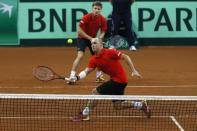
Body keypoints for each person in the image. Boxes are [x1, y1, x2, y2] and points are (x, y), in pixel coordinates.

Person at [68, 38, 151, 121]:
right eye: (92, 43)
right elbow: (87, 71)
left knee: (96, 92)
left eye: (95, 43)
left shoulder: (110, 52)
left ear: (101, 45)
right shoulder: (93, 59)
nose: (92, 45)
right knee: (118, 105)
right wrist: (76, 78)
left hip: (119, 80)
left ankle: (85, 114)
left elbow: (126, 57)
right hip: (118, 81)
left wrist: (134, 70)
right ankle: (141, 105)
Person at [68, 1, 107, 83]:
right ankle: (72, 75)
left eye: (98, 9)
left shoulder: (102, 19)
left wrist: (99, 38)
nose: (96, 10)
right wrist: (90, 38)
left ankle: (99, 76)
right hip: (82, 38)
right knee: (80, 56)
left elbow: (103, 31)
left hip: (93, 39)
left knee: (99, 56)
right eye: (95, 8)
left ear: (101, 10)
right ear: (92, 8)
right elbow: (79, 31)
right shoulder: (86, 17)